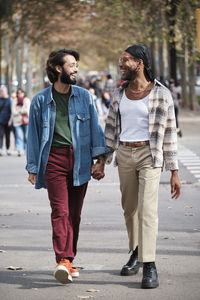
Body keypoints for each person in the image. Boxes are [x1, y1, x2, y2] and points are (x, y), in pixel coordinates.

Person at [92, 45, 181, 289]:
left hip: (149, 155)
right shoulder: (120, 93)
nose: (121, 64)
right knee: (130, 209)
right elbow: (111, 130)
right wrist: (102, 161)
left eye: (125, 60)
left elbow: (170, 134)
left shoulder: (161, 94)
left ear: (139, 63)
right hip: (125, 154)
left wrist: (174, 171)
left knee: (148, 209)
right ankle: (137, 251)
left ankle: (149, 263)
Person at [26, 49, 107, 285]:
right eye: (71, 65)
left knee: (74, 214)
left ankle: (69, 259)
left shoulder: (84, 96)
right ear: (58, 68)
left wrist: (100, 160)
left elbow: (95, 129)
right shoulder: (41, 100)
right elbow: (33, 135)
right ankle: (62, 259)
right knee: (60, 211)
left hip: (80, 159)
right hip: (53, 160)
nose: (76, 69)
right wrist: (33, 166)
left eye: (76, 65)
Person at [12, 88, 30, 156]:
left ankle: (26, 150)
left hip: (25, 121)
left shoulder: (27, 100)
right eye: (18, 93)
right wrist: (21, 111)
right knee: (19, 136)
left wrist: (19, 111)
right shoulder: (14, 101)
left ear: (23, 93)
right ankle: (19, 150)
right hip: (17, 122)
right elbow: (13, 111)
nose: (19, 94)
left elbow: (27, 110)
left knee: (26, 136)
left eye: (21, 92)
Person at [0, 86, 12, 156]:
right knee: (0, 136)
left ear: (6, 92)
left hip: (8, 121)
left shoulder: (10, 99)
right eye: (1, 91)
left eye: (3, 91)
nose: (2, 93)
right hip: (0, 121)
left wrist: (10, 120)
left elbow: (12, 111)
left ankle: (8, 149)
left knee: (8, 136)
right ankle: (0, 149)